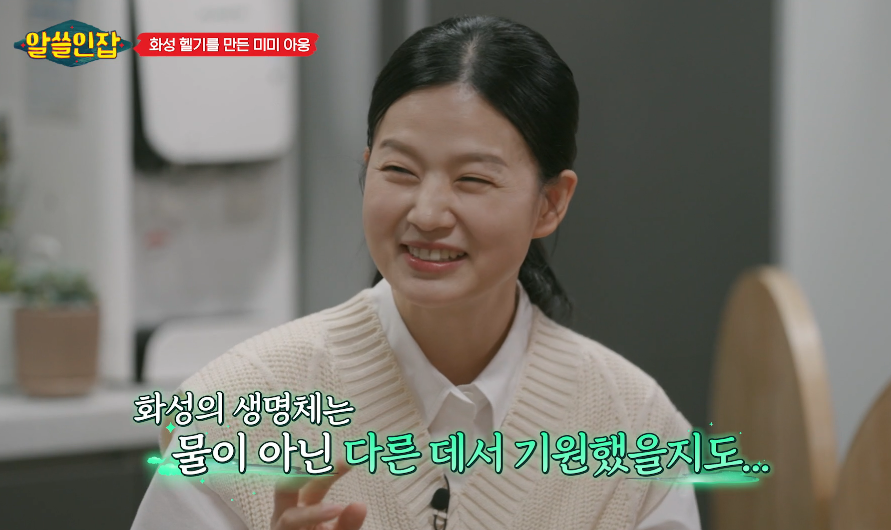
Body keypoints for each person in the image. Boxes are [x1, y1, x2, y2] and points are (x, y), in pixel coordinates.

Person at [132, 14, 700, 530]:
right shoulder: (235, 411)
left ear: (550, 203)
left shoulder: (635, 432)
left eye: (473, 180)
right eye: (399, 170)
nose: (426, 214)